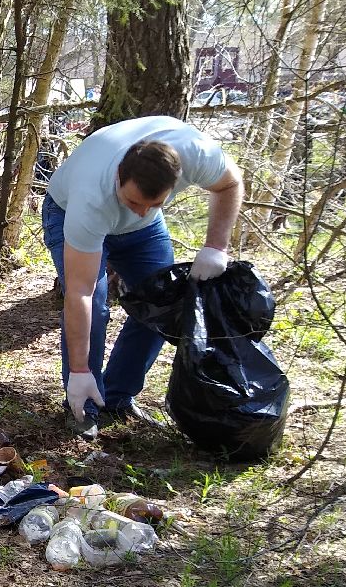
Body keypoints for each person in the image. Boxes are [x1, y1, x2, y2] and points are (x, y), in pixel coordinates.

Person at [42, 116, 244, 437]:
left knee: (163, 302)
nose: (141, 209)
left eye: (155, 203)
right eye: (134, 201)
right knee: (94, 306)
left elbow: (230, 183)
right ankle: (83, 406)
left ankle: (118, 395)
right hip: (67, 210)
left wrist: (216, 246)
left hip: (143, 234)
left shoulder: (194, 154)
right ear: (121, 175)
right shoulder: (90, 197)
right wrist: (79, 371)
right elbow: (80, 293)